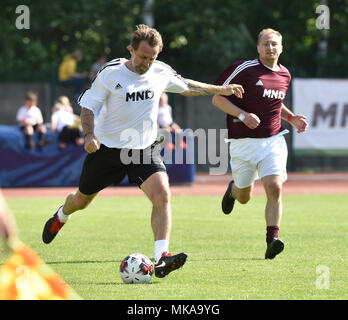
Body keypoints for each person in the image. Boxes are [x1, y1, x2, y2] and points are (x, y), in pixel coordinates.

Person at [42, 24, 244, 279]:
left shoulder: (160, 71)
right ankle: (62, 215)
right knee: (81, 201)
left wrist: (220, 89)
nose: (147, 63)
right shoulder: (110, 73)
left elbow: (186, 86)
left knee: (162, 194)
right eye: (143, 57)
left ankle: (162, 257)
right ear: (131, 50)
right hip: (107, 149)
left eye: (152, 58)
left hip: (143, 149)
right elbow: (88, 107)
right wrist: (90, 135)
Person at [212, 28, 308, 260]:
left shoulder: (285, 74)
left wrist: (291, 117)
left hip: (273, 141)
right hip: (242, 143)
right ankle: (234, 190)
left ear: (281, 47)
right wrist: (243, 115)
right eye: (265, 44)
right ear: (258, 48)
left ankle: (271, 240)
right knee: (245, 197)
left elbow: (276, 104)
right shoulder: (244, 68)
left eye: (274, 44)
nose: (270, 47)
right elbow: (217, 98)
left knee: (275, 187)